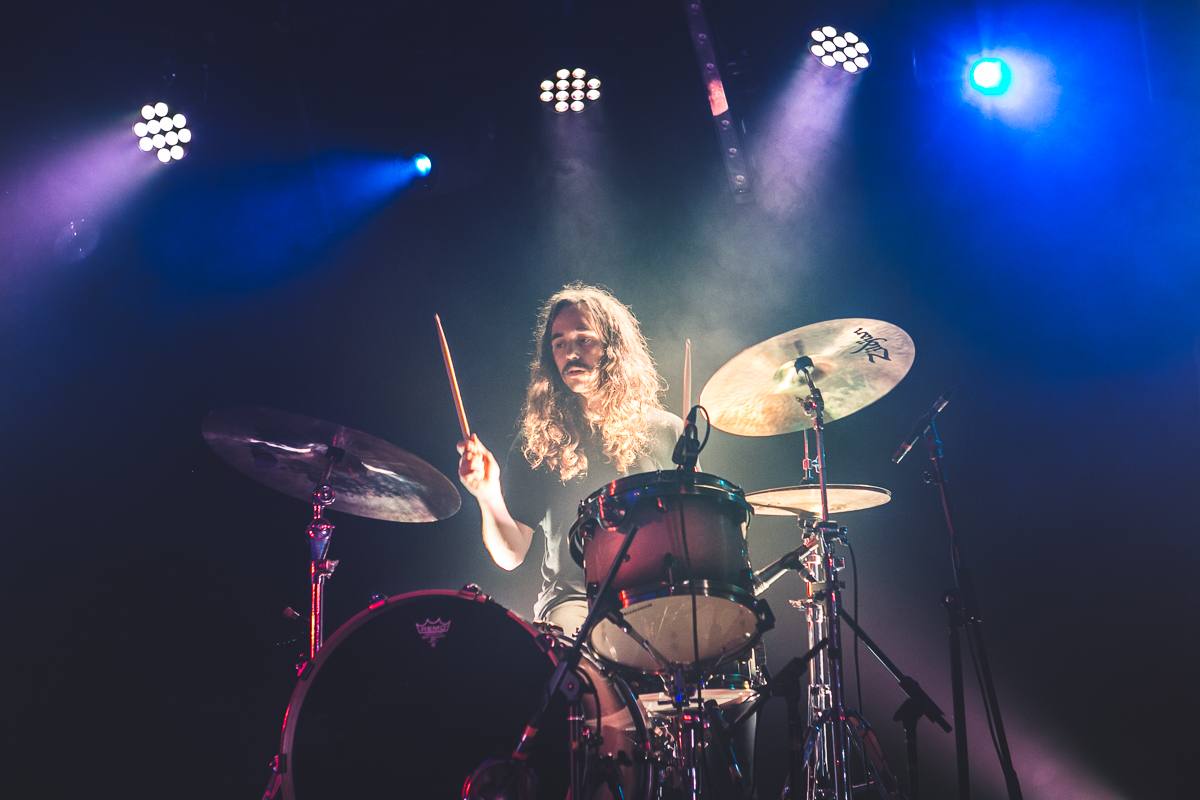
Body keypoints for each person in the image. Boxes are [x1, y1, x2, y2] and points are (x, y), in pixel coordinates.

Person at [457, 283, 684, 635]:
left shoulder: (669, 432)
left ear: (613, 348)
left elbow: (693, 538)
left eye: (584, 340)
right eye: (560, 343)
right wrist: (487, 495)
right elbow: (511, 555)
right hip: (573, 605)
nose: (570, 352)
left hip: (655, 598)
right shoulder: (538, 441)